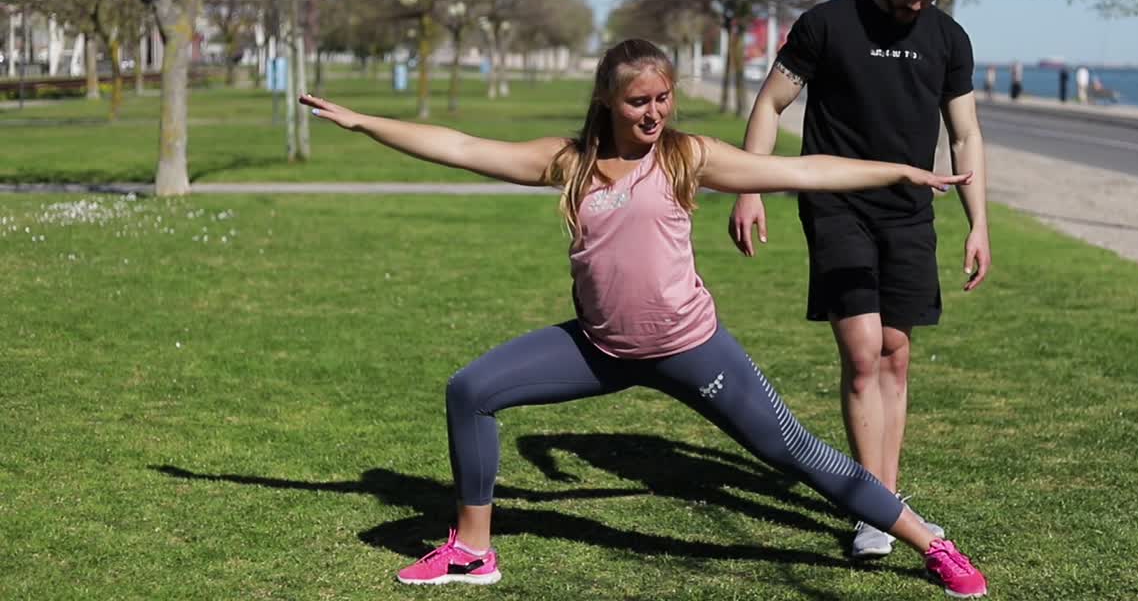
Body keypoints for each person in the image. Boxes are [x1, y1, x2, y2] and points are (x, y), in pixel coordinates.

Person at [299, 39, 989, 598]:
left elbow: (803, 172)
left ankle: (933, 543)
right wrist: (364, 122)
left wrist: (896, 170)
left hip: (692, 349)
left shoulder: (687, 156)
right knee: (470, 391)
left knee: (795, 452)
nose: (654, 112)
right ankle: (472, 550)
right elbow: (461, 147)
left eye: (663, 98)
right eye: (639, 101)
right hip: (600, 349)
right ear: (608, 99)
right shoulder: (568, 162)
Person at [726, 0, 991, 561]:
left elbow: (965, 135)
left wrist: (979, 221)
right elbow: (770, 105)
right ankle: (872, 508)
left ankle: (884, 502)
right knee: (864, 350)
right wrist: (750, 185)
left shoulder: (949, 38)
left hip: (910, 211)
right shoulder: (826, 24)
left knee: (896, 353)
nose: (915, 3)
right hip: (835, 203)